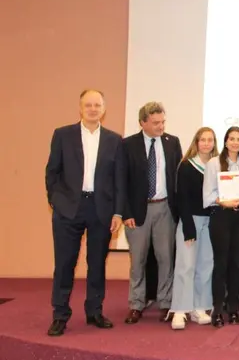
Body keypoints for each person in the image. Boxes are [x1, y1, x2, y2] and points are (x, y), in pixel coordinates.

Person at [45, 89, 125, 337]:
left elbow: (119, 180)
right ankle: (60, 315)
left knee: (97, 264)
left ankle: (94, 311)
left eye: (97, 105)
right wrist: (57, 201)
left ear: (104, 109)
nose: (92, 109)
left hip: (101, 209)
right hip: (69, 208)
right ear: (80, 108)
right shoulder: (62, 135)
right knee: (65, 263)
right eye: (88, 105)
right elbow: (52, 172)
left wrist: (118, 213)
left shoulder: (114, 140)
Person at [122, 102, 182, 324]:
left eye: (163, 122)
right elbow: (121, 181)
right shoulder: (128, 145)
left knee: (166, 258)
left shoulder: (172, 142)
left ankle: (166, 302)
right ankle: (136, 304)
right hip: (138, 211)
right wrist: (125, 212)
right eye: (156, 123)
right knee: (137, 260)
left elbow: (178, 177)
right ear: (143, 123)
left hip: (165, 208)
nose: (161, 126)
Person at [203, 126, 239, 328]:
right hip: (221, 217)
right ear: (225, 141)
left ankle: (233, 308)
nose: (235, 142)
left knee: (237, 264)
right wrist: (223, 201)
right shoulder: (214, 163)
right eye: (231, 139)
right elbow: (207, 195)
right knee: (221, 264)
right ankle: (217, 309)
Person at [169, 127, 218, 330]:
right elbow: (181, 198)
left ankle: (200, 307)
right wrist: (188, 226)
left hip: (210, 222)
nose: (206, 143)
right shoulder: (187, 166)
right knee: (185, 266)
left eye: (210, 140)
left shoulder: (217, 166)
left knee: (205, 266)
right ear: (196, 142)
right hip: (191, 221)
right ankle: (180, 310)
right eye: (202, 140)